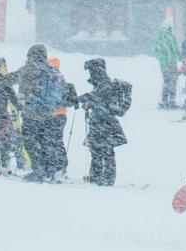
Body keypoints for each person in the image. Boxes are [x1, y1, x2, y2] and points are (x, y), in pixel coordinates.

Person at [13, 43, 65, 182]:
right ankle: (50, 170)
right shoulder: (53, 70)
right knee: (45, 142)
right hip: (48, 114)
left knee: (31, 142)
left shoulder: (30, 68)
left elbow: (11, 79)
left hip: (32, 113)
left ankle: (39, 171)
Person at [79, 58, 131, 186]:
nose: (90, 74)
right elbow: (100, 100)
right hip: (101, 121)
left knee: (103, 150)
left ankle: (105, 177)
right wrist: (89, 104)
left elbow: (97, 98)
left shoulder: (105, 84)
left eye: (91, 71)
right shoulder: (102, 84)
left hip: (104, 122)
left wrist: (79, 100)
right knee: (99, 149)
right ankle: (99, 176)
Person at [47, 57, 79, 179]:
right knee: (53, 141)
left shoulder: (61, 84)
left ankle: (59, 166)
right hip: (55, 116)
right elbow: (72, 102)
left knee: (54, 141)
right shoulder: (64, 84)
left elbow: (70, 102)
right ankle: (58, 165)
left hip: (56, 116)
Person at [155, 23, 181, 110]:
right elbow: (175, 48)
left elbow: (156, 50)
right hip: (171, 62)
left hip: (163, 64)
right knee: (173, 81)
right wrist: (180, 57)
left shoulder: (159, 37)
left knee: (166, 81)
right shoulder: (170, 36)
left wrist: (161, 59)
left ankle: (164, 100)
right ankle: (172, 101)